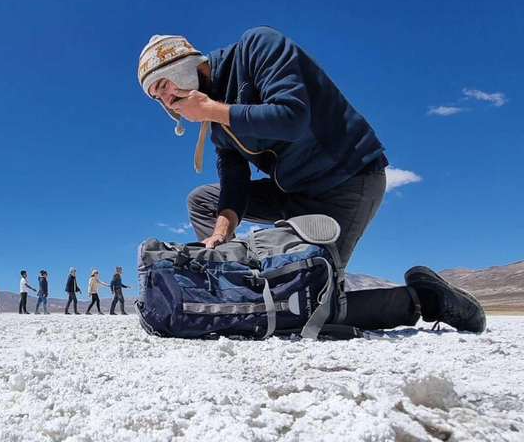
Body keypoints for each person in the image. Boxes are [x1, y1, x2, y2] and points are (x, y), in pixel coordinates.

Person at [136, 28, 486, 333]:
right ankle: (237, 288)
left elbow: (292, 118)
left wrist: (212, 110)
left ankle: (428, 300)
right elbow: (234, 181)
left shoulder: (258, 46)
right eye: (157, 97)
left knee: (311, 305)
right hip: (294, 193)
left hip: (346, 181)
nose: (167, 99)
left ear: (185, 64)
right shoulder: (217, 128)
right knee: (204, 200)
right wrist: (220, 234)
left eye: (165, 85)